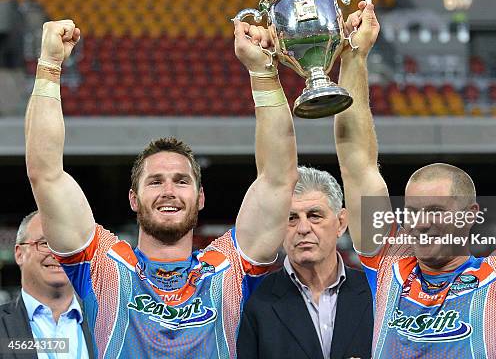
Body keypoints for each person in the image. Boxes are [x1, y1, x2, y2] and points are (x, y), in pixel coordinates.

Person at [335, 2, 496, 358]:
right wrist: (354, 55)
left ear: (470, 215)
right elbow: (356, 164)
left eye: (436, 212)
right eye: (412, 213)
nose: (421, 224)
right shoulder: (389, 264)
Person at [24, 19, 298, 358]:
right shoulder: (105, 265)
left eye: (181, 181)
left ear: (200, 198)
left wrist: (262, 72)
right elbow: (45, 174)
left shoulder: (228, 268)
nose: (169, 190)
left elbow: (278, 178)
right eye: (155, 181)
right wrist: (49, 66)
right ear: (134, 199)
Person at [236, 166, 373, 359]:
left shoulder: (376, 292)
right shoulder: (255, 299)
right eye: (291, 218)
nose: (303, 228)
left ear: (341, 223)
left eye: (314, 216)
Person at [0, 211, 94, 359]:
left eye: (67, 244)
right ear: (19, 254)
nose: (59, 254)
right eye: (45, 243)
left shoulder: (110, 325)